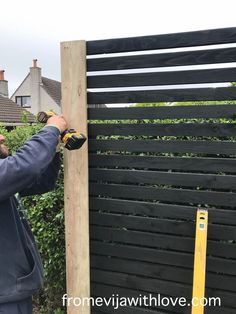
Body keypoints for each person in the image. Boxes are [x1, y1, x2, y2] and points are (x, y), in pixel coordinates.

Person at [0, 114, 68, 313]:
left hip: (10, 292)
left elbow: (39, 182)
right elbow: (25, 167)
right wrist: (51, 129)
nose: (3, 138)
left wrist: (53, 150)